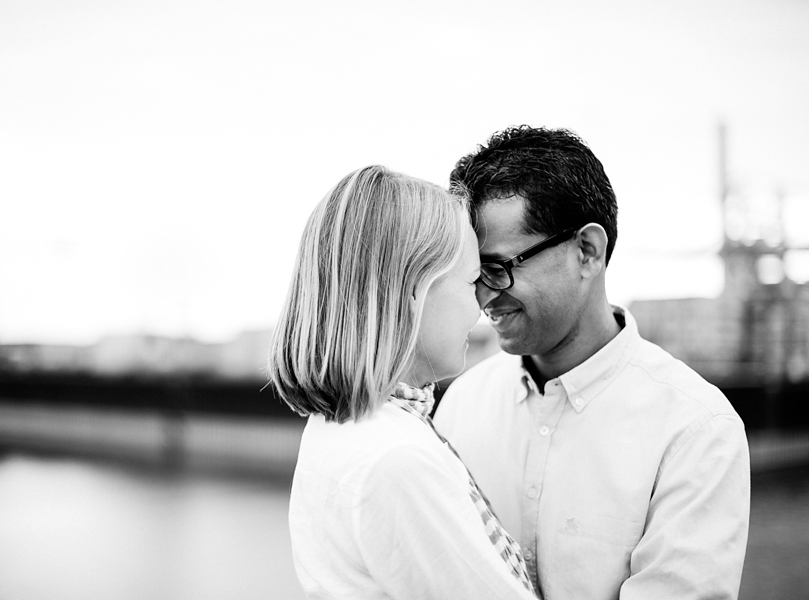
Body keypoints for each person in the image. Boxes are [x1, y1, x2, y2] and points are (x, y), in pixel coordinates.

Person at [433, 125, 751, 600]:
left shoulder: (695, 430)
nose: (484, 298)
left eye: (498, 268)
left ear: (587, 251)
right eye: (473, 274)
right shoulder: (462, 404)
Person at [269, 165, 537, 599]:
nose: (484, 302)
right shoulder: (396, 462)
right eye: (473, 282)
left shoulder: (347, 429)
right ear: (415, 288)